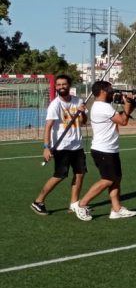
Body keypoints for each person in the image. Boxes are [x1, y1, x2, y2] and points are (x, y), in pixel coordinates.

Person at [72, 81, 136, 220]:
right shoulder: (102, 107)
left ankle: (116, 209)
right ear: (102, 91)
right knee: (108, 180)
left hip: (110, 149)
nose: (112, 92)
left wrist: (129, 105)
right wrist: (127, 105)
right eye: (110, 90)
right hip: (103, 150)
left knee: (116, 179)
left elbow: (121, 117)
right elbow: (123, 121)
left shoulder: (104, 107)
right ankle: (82, 204)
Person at [31, 74, 89, 218]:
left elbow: (83, 122)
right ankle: (38, 201)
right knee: (60, 175)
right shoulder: (55, 104)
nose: (61, 87)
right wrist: (46, 146)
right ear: (56, 87)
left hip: (77, 145)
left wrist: (82, 112)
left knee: (80, 174)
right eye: (59, 85)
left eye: (64, 84)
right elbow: (48, 126)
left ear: (69, 85)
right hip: (61, 146)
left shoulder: (78, 101)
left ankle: (74, 203)